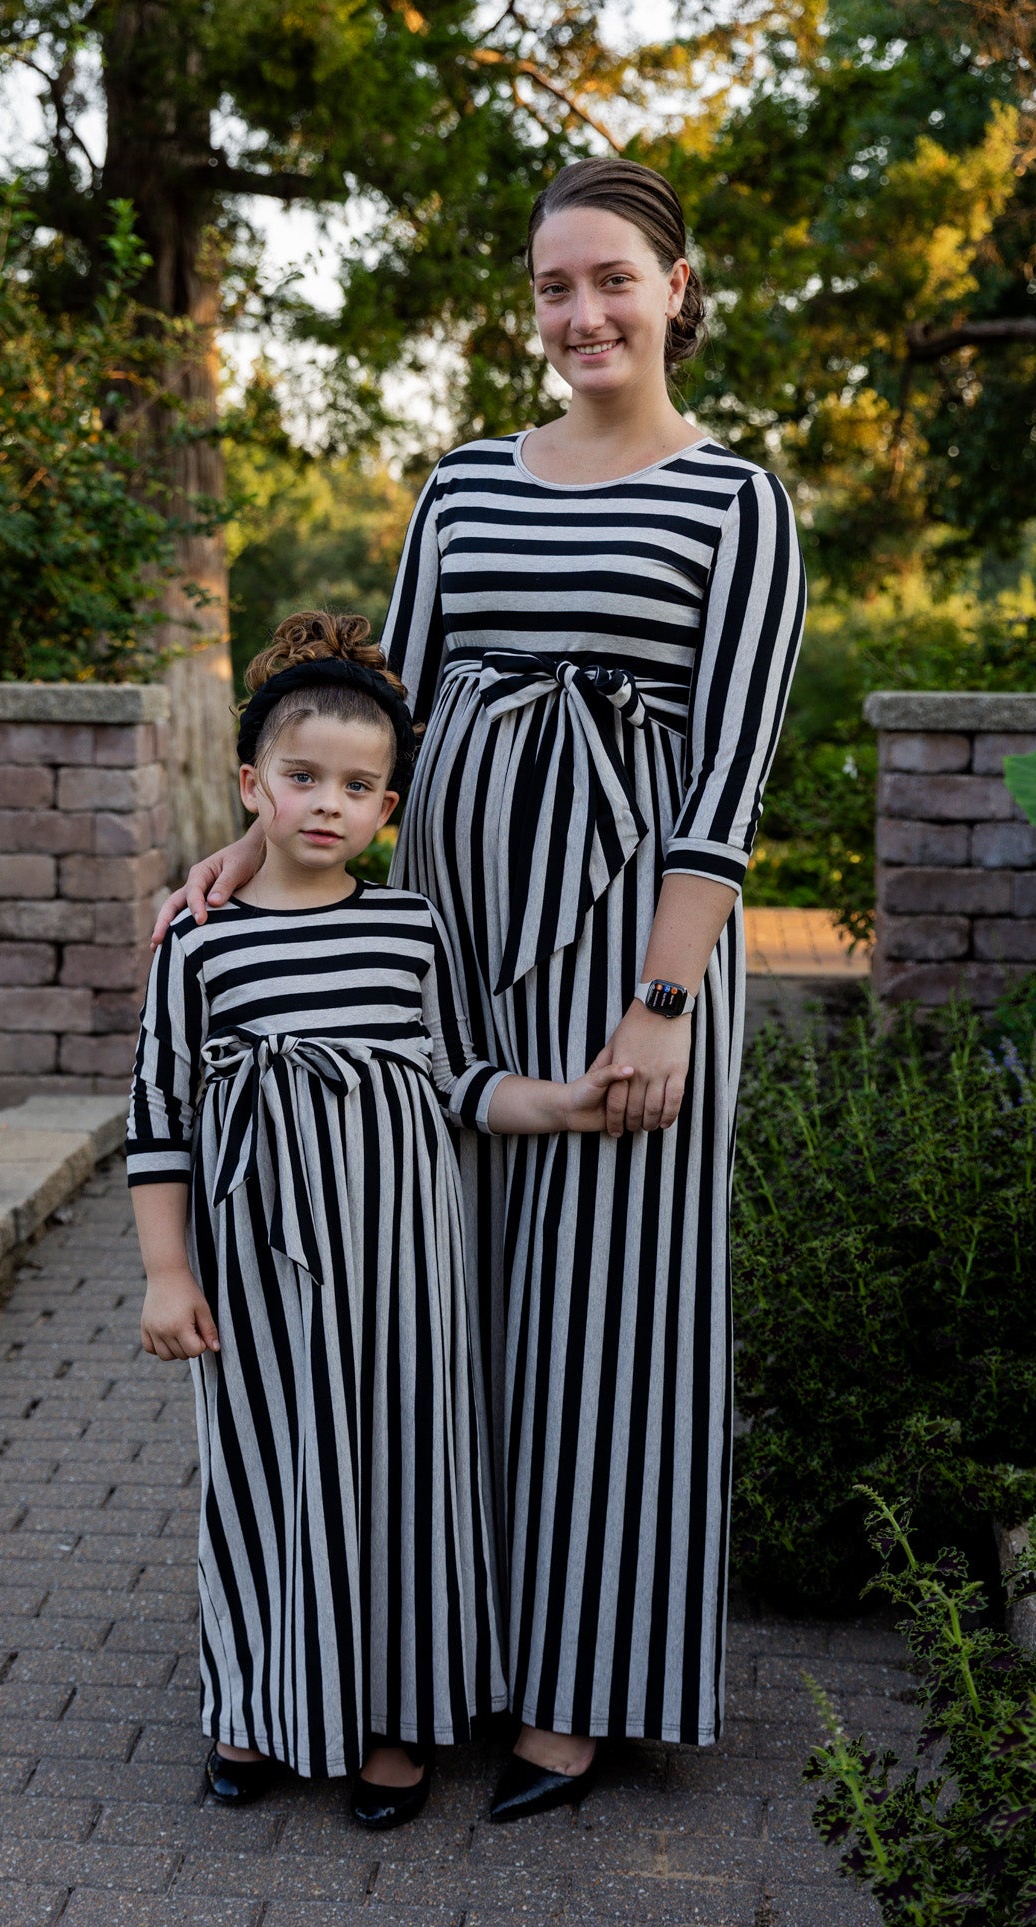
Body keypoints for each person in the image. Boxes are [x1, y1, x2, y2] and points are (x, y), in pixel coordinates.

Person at [154, 158, 806, 1822]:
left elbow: (724, 780)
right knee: (455, 1312)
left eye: (612, 280)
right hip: (443, 951)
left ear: (677, 286)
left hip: (629, 957)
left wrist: (661, 1004)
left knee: (614, 1324)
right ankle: (443, 1653)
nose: (581, 313)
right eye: (552, 289)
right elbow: (384, 724)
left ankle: (586, 1693)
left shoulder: (736, 502)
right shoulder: (461, 488)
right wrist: (251, 864)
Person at [127, 611, 630, 1831]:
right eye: (300, 778)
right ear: (250, 785)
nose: (325, 805)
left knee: (407, 1474)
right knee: (261, 1477)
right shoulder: (199, 942)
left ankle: (398, 1722)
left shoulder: (409, 928)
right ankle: (254, 1699)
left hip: (408, 1264)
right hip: (256, 1266)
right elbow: (158, 1108)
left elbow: (456, 1075)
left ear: (388, 804)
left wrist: (559, 1100)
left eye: (357, 786)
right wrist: (163, 1271)